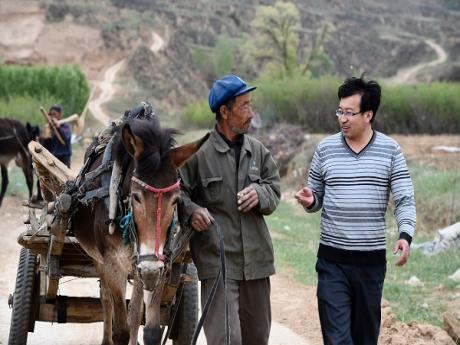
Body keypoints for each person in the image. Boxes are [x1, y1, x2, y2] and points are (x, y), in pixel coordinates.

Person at [295, 75, 416, 345]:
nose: (343, 118)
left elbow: (405, 198)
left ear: (368, 114)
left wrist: (405, 235)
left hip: (370, 265)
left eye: (350, 113)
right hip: (332, 262)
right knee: (337, 340)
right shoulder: (325, 149)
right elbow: (315, 197)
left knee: (364, 338)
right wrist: (309, 200)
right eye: (340, 111)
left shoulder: (390, 150)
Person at [179, 74, 281, 345]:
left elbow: (274, 190)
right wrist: (191, 210)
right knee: (226, 340)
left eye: (251, 105)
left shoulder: (258, 152)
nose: (251, 113)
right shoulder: (197, 155)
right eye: (244, 106)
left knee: (257, 338)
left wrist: (260, 194)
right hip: (218, 263)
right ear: (224, 112)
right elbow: (175, 193)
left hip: (257, 264)